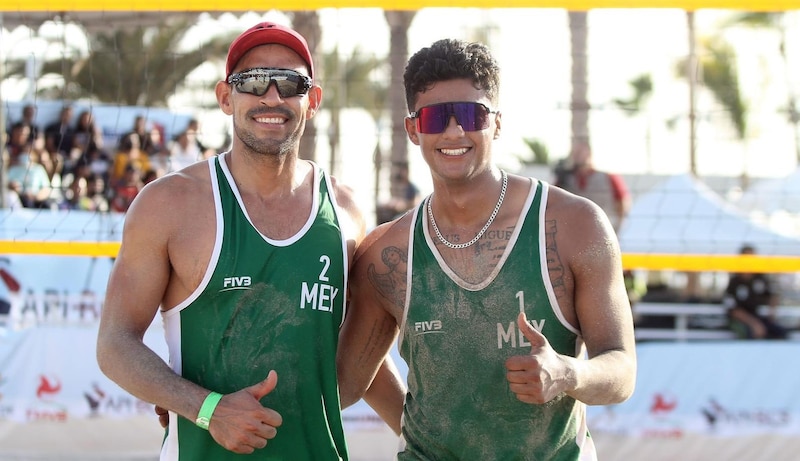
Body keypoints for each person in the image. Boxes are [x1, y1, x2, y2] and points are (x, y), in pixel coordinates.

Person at [96, 21, 402, 460]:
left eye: (290, 84)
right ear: (226, 97)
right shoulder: (170, 203)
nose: (272, 97)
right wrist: (206, 408)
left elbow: (362, 355)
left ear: (312, 100)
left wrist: (422, 440)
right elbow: (114, 343)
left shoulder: (348, 212)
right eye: (253, 82)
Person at [337, 38, 637, 460]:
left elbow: (622, 371)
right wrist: (411, 430)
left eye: (471, 114)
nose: (454, 131)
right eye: (436, 117)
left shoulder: (576, 225)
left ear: (496, 122)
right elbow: (351, 380)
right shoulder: (387, 253)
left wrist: (569, 373)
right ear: (413, 129)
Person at [554, 141, 631, 233]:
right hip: (574, 232)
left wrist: (618, 227)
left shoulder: (608, 177)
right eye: (574, 153)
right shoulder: (565, 179)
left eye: (579, 152)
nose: (576, 156)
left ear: (589, 153)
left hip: (603, 229)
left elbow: (622, 203)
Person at [722, 244, 788, 340]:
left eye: (753, 258)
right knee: (750, 333)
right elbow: (734, 311)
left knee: (780, 332)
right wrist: (754, 324)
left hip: (756, 316)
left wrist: (772, 310)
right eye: (748, 258)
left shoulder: (760, 278)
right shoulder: (734, 282)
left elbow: (772, 294)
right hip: (739, 320)